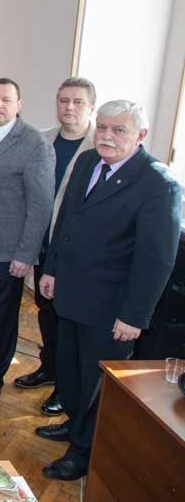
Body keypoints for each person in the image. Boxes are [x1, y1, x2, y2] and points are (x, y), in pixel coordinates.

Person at [37, 100, 181, 481]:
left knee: (96, 385)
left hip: (111, 309)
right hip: (70, 294)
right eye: (101, 127)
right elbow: (66, 220)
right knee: (70, 373)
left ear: (141, 135)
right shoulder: (88, 161)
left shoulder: (158, 184)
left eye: (119, 130)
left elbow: (156, 260)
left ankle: (84, 452)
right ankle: (75, 425)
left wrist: (134, 316)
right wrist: (51, 269)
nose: (106, 136)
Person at [0, 78, 54, 413]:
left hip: (6, 250)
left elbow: (40, 205)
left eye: (6, 99)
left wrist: (25, 254)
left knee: (1, 318)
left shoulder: (34, 143)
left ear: (19, 104)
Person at [16, 78, 95, 414]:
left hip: (75, 251)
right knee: (45, 311)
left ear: (91, 107)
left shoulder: (98, 147)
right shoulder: (42, 139)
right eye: (63, 101)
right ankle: (48, 367)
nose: (69, 107)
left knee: (66, 318)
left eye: (77, 102)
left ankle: (66, 385)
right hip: (41, 242)